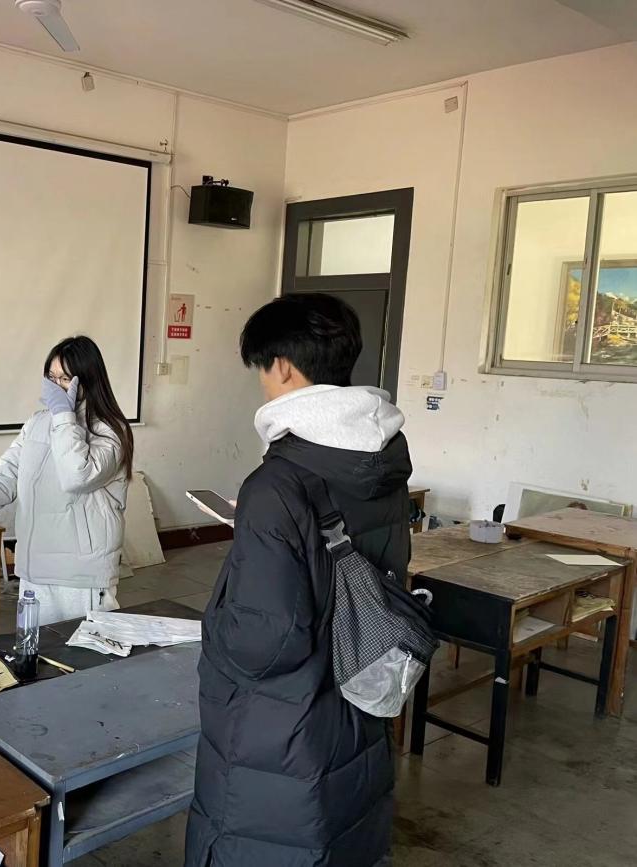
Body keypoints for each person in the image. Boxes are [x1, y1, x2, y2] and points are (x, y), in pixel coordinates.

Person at [185, 294, 410, 867]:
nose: (262, 383)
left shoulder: (276, 485)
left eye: (261, 369)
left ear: (283, 366)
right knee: (341, 837)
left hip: (284, 728)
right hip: (358, 690)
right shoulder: (383, 459)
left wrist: (214, 630)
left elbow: (266, 643)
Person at [0, 336, 134, 626]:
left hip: (80, 574)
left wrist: (63, 417)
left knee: (82, 652)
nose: (56, 386)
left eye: (66, 379)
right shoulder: (37, 423)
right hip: (35, 568)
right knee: (34, 650)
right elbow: (6, 475)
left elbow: (77, 475)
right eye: (51, 377)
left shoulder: (109, 431)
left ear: (88, 380)